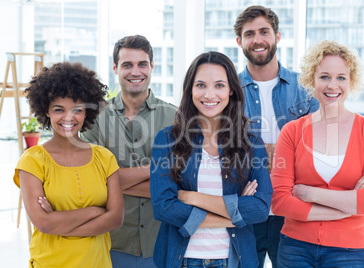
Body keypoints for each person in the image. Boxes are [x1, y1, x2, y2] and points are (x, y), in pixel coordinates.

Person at [271, 40, 364, 267]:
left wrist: (310, 194)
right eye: (324, 77)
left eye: (341, 78)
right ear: (311, 80)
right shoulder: (292, 132)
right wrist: (348, 206)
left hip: (350, 252)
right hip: (295, 248)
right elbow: (280, 202)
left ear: (350, 81)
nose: (332, 86)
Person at [150, 51, 272, 268]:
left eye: (219, 85)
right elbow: (164, 207)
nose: (209, 94)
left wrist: (192, 197)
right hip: (182, 260)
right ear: (190, 90)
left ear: (231, 90)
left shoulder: (251, 143)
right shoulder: (167, 140)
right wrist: (234, 214)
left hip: (234, 260)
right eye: (200, 85)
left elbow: (260, 208)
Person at [13, 62, 124, 267]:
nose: (68, 117)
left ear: (86, 112)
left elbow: (116, 218)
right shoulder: (32, 161)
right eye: (59, 109)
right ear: (46, 111)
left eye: (77, 109)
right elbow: (44, 223)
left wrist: (59, 221)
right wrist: (95, 212)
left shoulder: (104, 158)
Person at [233, 5, 320, 268]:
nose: (257, 40)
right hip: (248, 210)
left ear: (277, 36)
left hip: (292, 210)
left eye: (264, 32)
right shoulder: (230, 91)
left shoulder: (304, 88)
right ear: (240, 41)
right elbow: (228, 153)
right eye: (249, 34)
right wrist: (285, 151)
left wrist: (261, 152)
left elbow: (317, 151)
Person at [81, 35, 177, 267]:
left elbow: (177, 185)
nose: (136, 71)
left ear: (152, 66)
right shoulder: (94, 119)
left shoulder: (175, 118)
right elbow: (92, 180)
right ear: (115, 68)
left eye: (142, 64)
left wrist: (113, 181)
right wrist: (155, 169)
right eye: (127, 65)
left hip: (162, 244)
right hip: (111, 244)